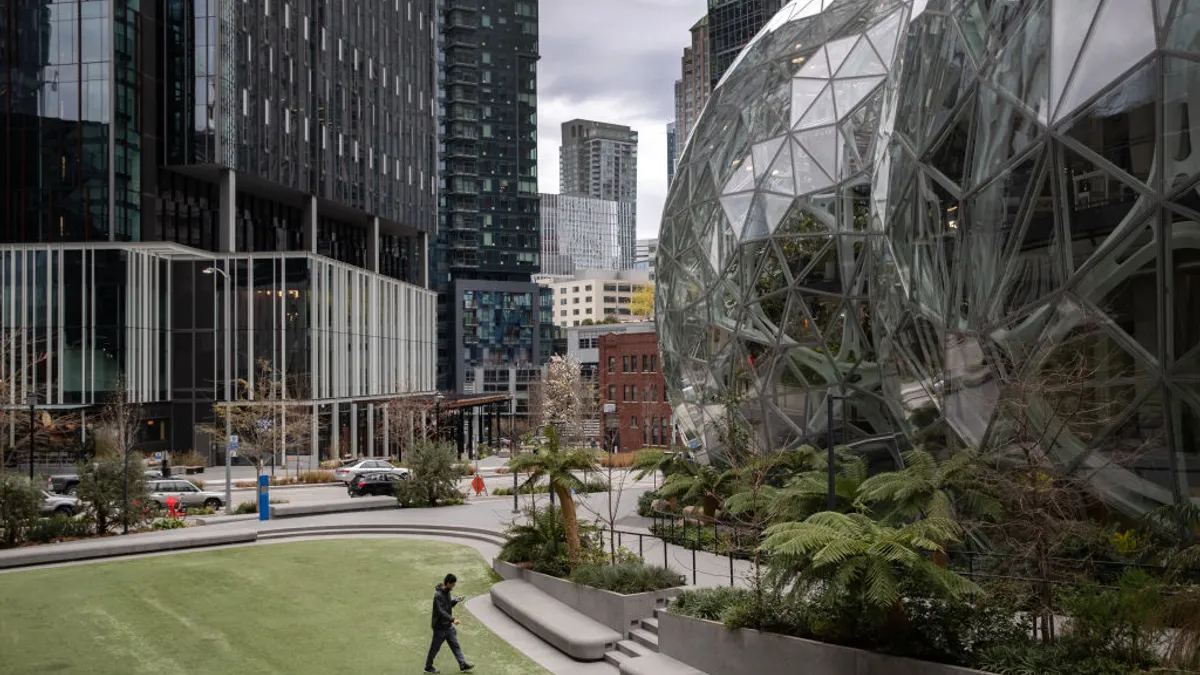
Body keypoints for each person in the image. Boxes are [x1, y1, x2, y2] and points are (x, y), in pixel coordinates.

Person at [425, 573, 474, 673]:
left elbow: (448, 605)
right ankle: (428, 667)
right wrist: (453, 619)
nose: (453, 586)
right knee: (434, 649)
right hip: (439, 628)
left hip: (448, 627)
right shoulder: (438, 595)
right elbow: (441, 611)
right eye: (453, 584)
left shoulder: (447, 592)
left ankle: (462, 664)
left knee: (455, 645)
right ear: (447, 583)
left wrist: (455, 600)